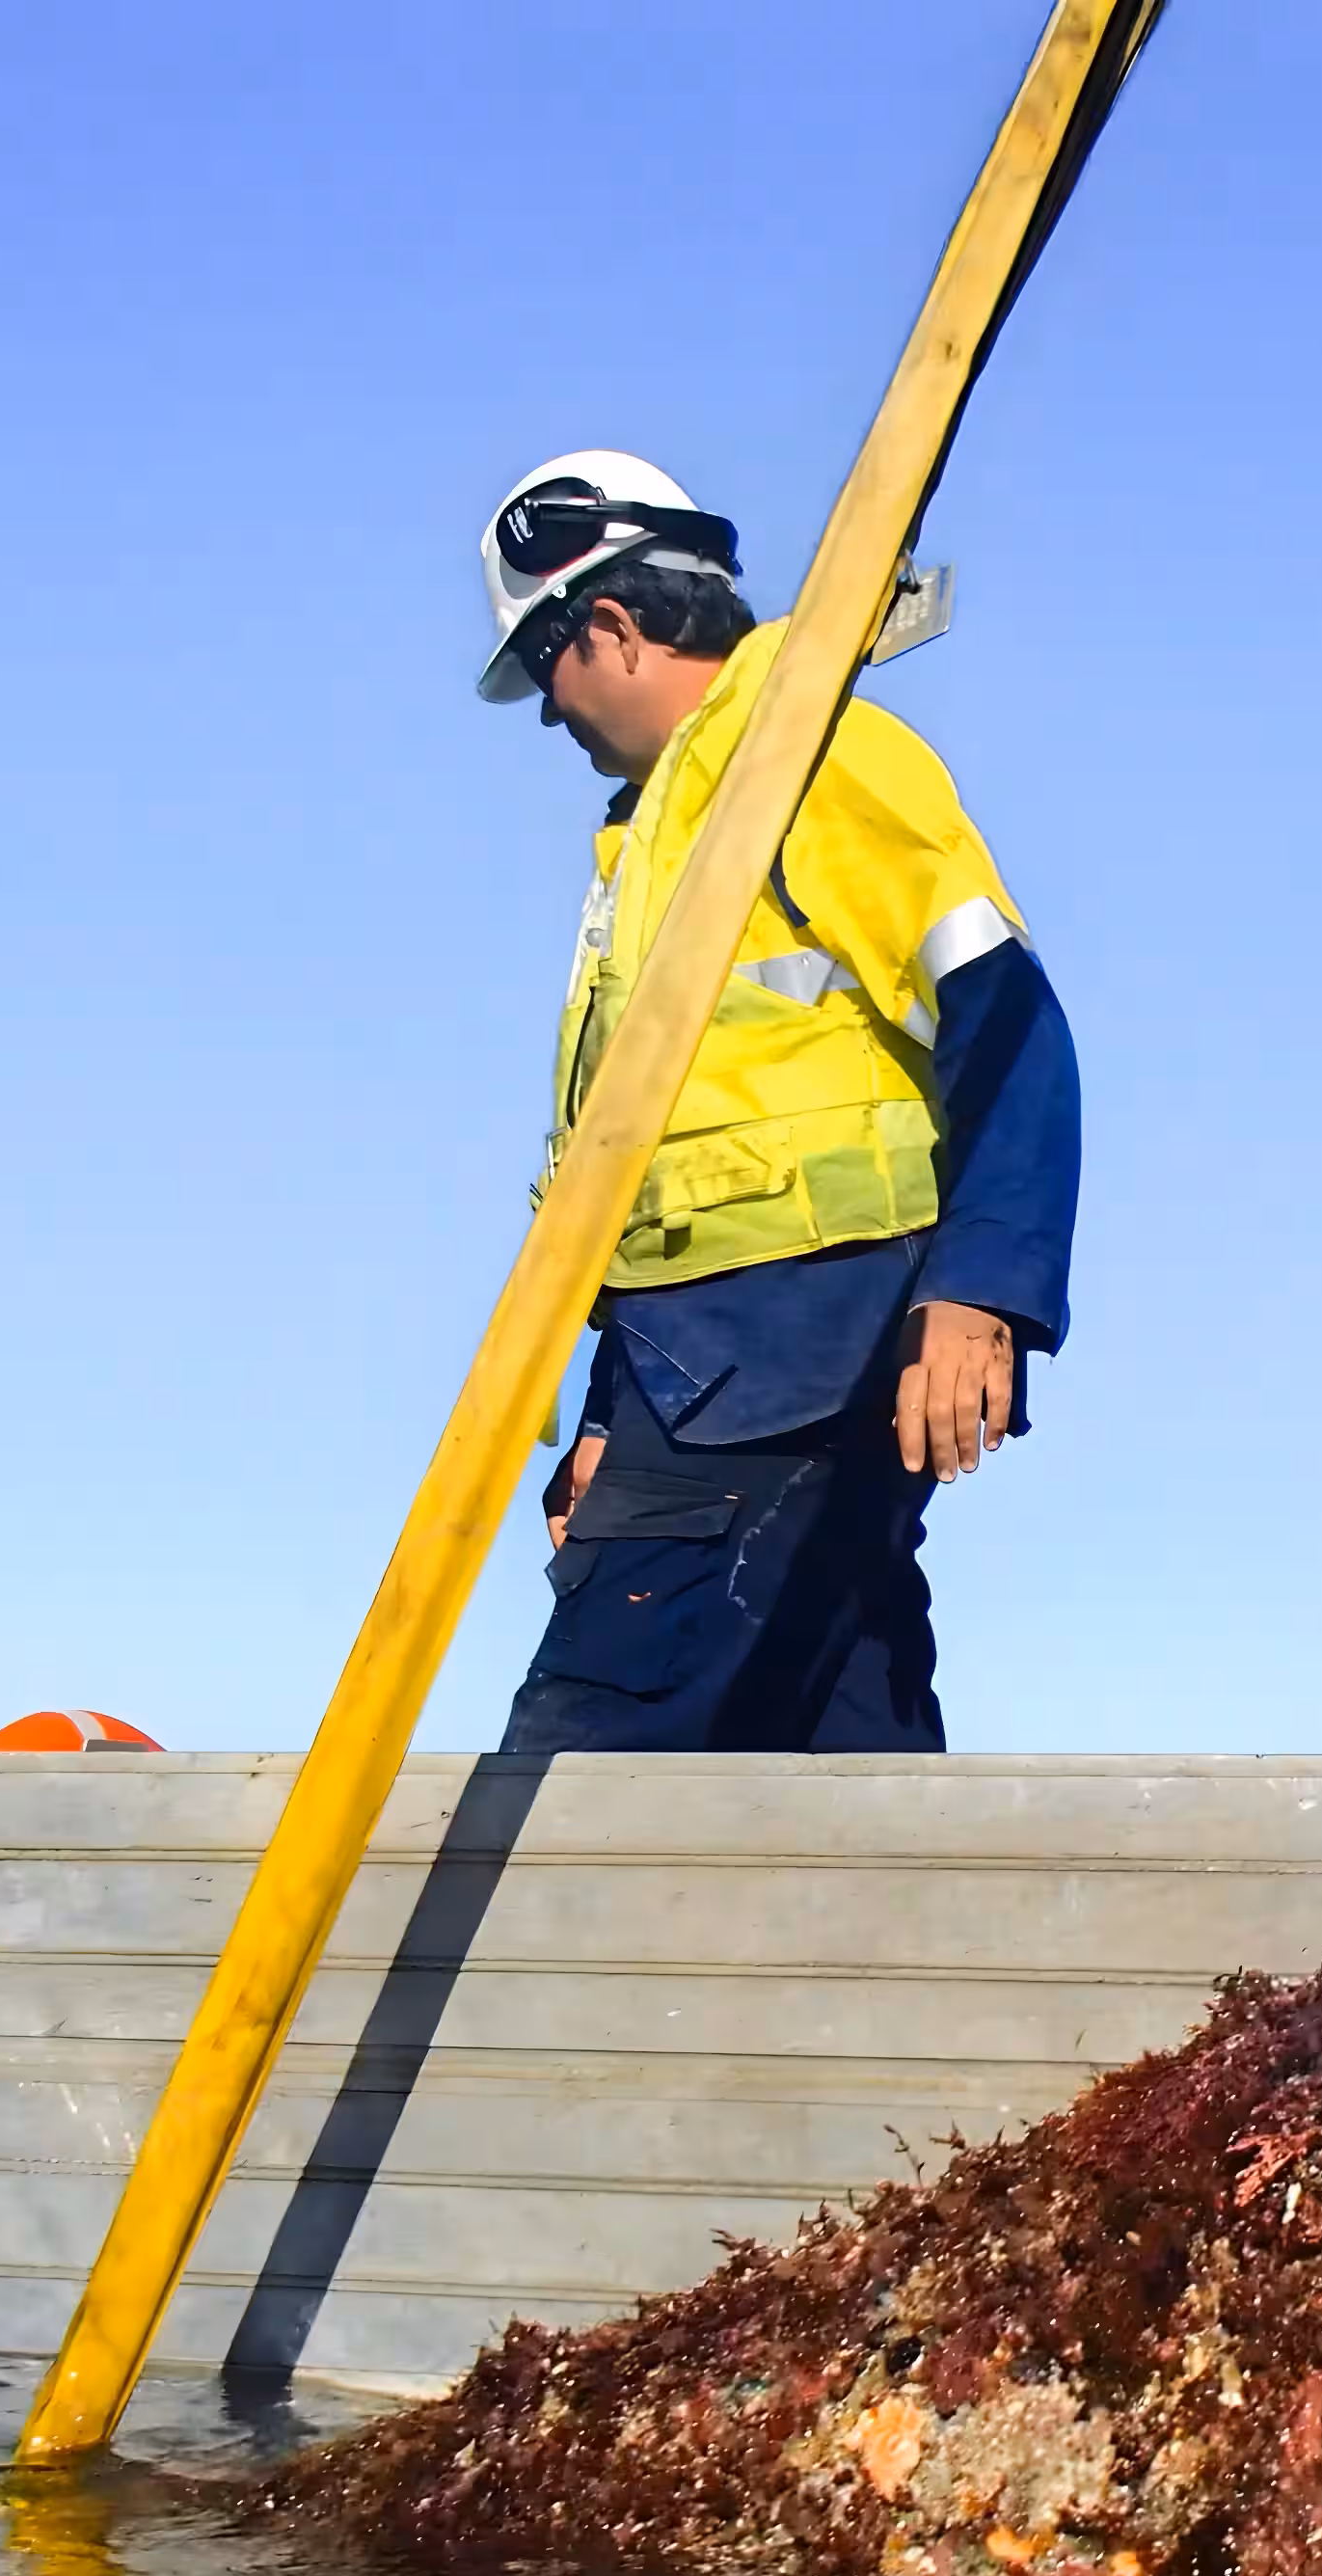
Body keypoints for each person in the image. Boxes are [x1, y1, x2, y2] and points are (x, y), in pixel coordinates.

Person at [472, 451, 1080, 1752]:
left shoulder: (804, 763)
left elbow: (1010, 1022)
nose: (544, 713)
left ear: (615, 629)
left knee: (585, 1775)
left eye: (544, 668)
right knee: (838, 1766)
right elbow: (646, 1176)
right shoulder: (670, 833)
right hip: (712, 1371)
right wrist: (606, 1415)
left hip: (781, 1363)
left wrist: (979, 1291)